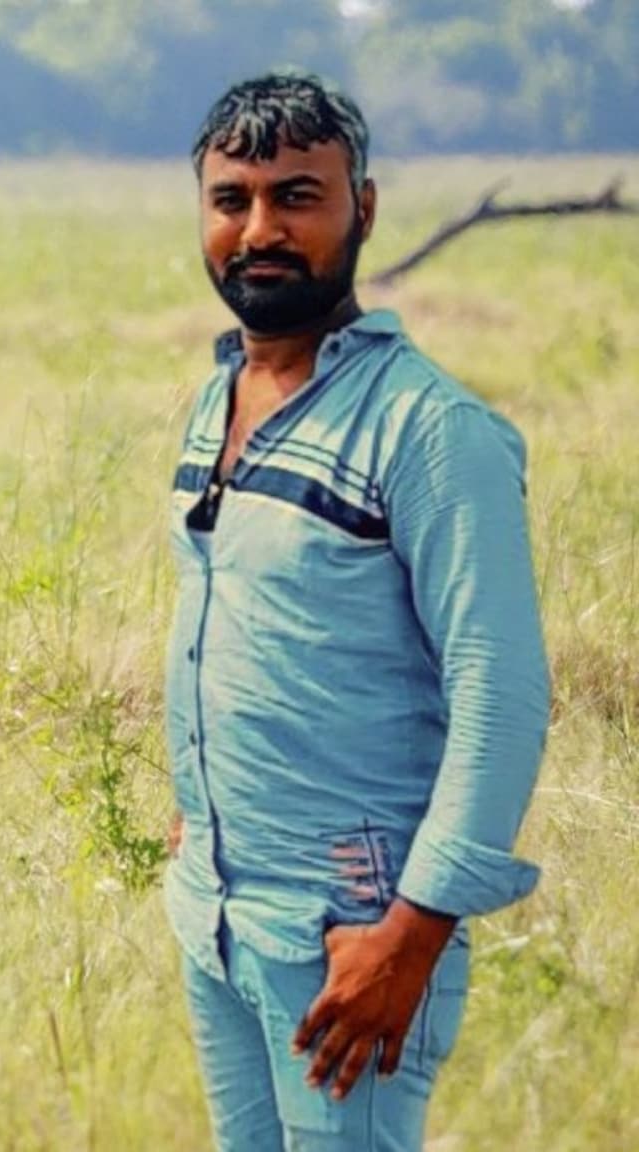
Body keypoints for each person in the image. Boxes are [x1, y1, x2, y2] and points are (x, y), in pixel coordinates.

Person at [163, 70, 550, 1150]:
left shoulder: (430, 431)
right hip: (220, 912)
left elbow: (501, 693)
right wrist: (198, 828)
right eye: (230, 199)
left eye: (296, 196)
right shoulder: (219, 395)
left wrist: (413, 933)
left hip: (354, 928)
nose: (258, 230)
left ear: (361, 210)